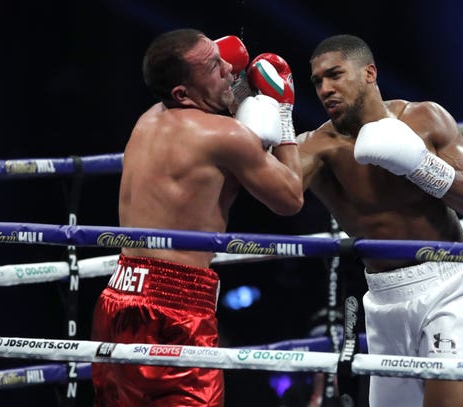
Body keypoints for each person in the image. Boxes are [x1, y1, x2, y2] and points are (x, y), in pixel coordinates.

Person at [90, 28, 302, 407]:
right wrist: (282, 110)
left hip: (118, 296)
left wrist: (235, 97)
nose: (229, 67)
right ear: (182, 94)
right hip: (178, 307)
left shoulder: (146, 121)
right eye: (214, 65)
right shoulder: (226, 136)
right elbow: (290, 198)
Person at [298, 34, 463, 407]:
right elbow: (281, 195)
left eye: (334, 75)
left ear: (369, 73)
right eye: (317, 81)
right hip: (383, 297)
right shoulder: (319, 147)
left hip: (451, 282)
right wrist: (274, 122)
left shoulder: (424, 118)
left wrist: (421, 166)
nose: (325, 89)